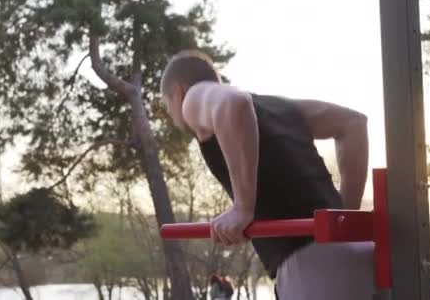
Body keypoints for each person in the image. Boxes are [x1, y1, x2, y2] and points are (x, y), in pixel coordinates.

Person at [160, 50, 375, 300]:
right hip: (362, 255)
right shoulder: (279, 107)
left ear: (178, 90)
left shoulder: (193, 97)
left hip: (312, 265)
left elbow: (233, 104)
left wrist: (243, 208)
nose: (173, 115)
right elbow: (353, 124)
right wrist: (344, 216)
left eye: (167, 105)